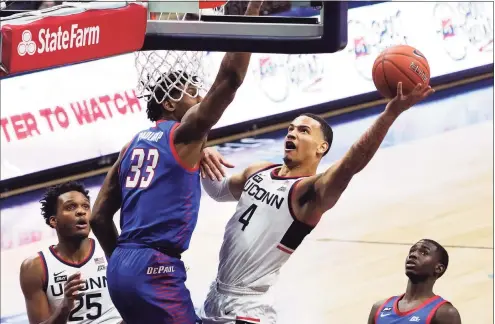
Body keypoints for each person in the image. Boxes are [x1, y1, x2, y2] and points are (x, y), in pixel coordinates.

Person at [198, 82, 435, 323]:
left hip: (248, 307)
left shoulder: (309, 193)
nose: (292, 133)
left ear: (322, 147)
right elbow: (217, 191)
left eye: (303, 131)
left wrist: (390, 113)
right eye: (291, 129)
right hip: (215, 294)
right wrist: (203, 151)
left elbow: (351, 163)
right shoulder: (258, 171)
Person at [88, 1, 264, 323]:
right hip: (156, 267)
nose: (199, 100)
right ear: (169, 102)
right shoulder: (185, 135)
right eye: (192, 93)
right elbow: (230, 79)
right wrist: (249, 14)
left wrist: (123, 264)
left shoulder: (132, 146)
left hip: (121, 268)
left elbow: (99, 217)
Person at [19, 181, 122, 324]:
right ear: (54, 221)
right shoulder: (34, 267)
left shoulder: (109, 247)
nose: (81, 211)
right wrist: (65, 307)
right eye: (71, 207)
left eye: (86, 206)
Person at [367, 239, 461, 324]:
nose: (413, 255)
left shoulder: (444, 313)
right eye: (412, 251)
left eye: (424, 253)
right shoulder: (379, 308)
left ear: (439, 268)